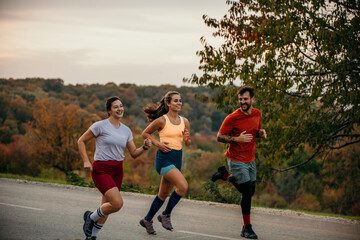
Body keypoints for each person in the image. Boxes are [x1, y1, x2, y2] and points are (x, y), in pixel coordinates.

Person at [77, 96, 152, 240]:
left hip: (118, 170)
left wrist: (144, 147)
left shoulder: (126, 130)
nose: (120, 109)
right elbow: (81, 141)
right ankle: (90, 217)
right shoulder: (100, 126)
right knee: (117, 204)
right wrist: (86, 161)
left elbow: (134, 154)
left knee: (107, 206)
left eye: (121, 106)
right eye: (116, 107)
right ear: (109, 110)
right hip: (101, 169)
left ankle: (92, 237)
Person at [211, 86, 266, 239]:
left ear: (252, 99)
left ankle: (224, 175)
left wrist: (261, 134)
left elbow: (255, 132)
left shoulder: (257, 113)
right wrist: (237, 139)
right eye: (240, 99)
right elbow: (219, 136)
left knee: (250, 191)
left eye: (246, 99)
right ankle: (247, 228)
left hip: (250, 158)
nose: (243, 102)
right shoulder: (232, 118)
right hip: (236, 158)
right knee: (247, 193)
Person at [139, 91, 191, 235]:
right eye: (175, 101)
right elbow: (145, 133)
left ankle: (147, 219)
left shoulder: (185, 121)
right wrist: (158, 143)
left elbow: (188, 143)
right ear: (168, 103)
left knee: (163, 194)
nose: (179, 103)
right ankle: (165, 215)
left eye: (180, 100)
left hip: (177, 159)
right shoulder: (162, 120)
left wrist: (187, 138)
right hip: (163, 159)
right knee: (183, 186)